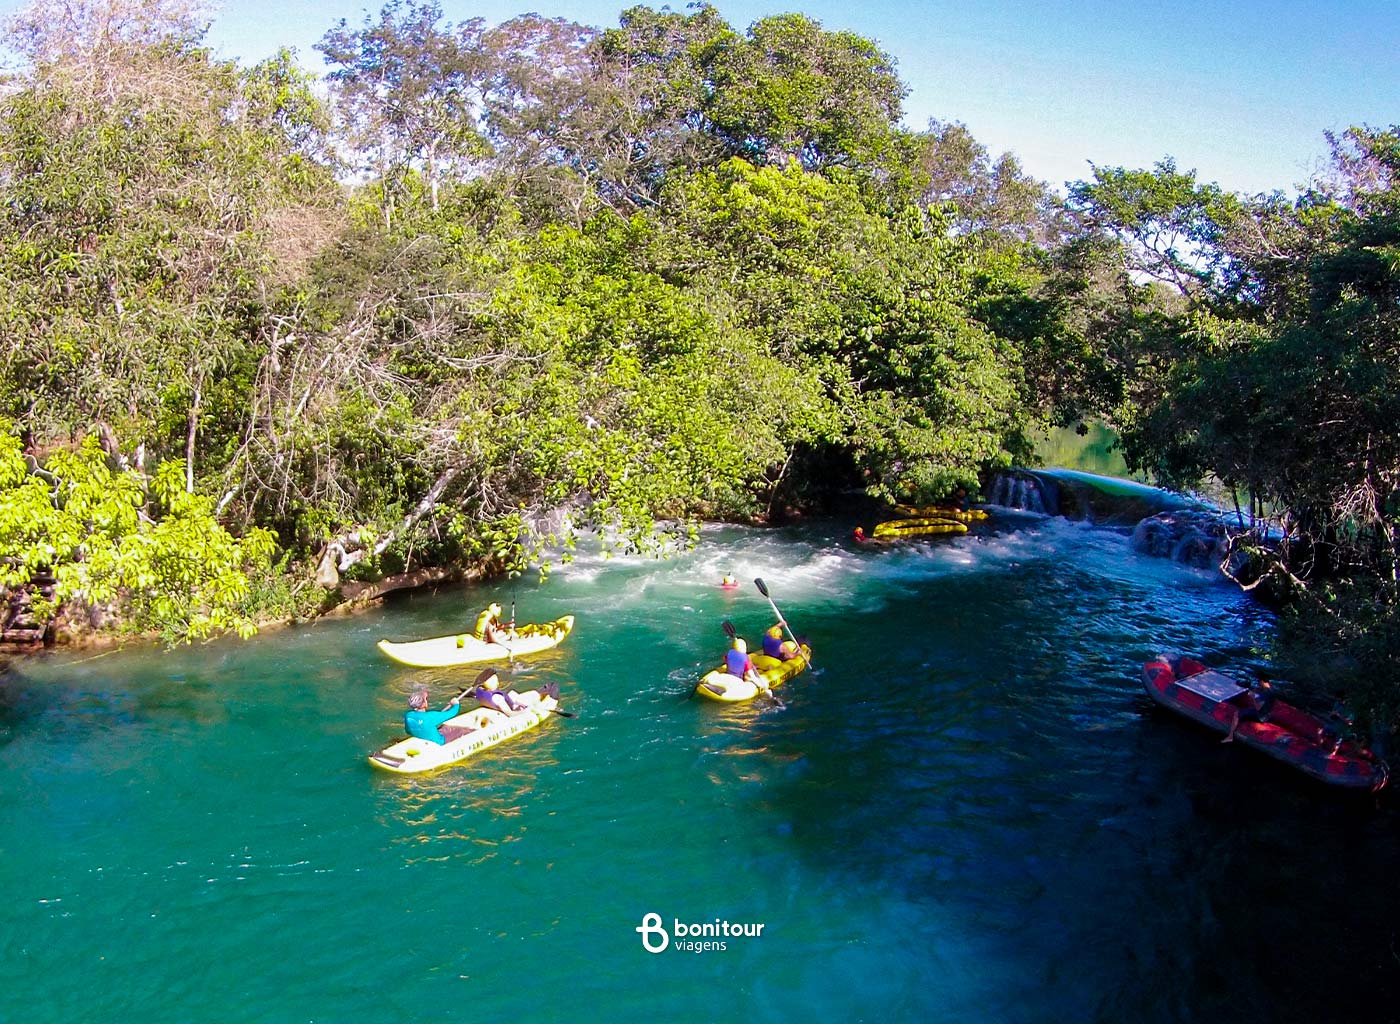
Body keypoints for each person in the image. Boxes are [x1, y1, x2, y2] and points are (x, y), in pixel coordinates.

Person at [1222, 678, 1277, 743]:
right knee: (1247, 710)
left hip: (1260, 716)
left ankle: (1231, 736)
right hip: (1267, 715)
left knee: (1237, 713)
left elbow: (1257, 707)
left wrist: (1253, 698)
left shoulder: (1265, 693)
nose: (1258, 684)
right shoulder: (1271, 690)